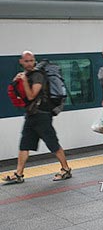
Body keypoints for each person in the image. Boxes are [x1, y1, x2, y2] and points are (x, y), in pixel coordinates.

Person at [2, 51, 71, 184]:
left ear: (34, 61)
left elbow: (32, 95)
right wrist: (18, 81)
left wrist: (24, 81)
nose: (29, 63)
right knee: (24, 144)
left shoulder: (38, 75)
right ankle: (19, 174)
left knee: (52, 143)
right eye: (26, 61)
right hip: (31, 115)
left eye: (31, 60)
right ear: (21, 62)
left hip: (42, 115)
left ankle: (66, 169)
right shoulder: (26, 75)